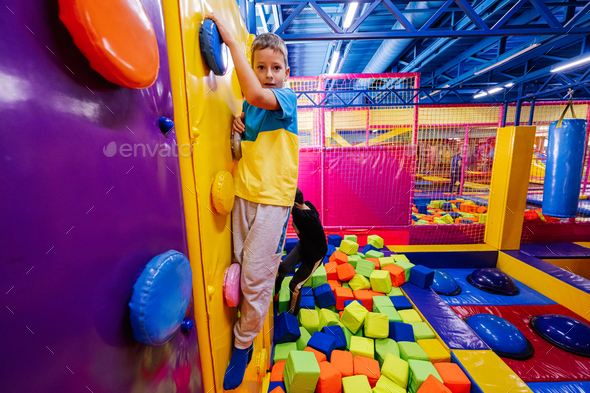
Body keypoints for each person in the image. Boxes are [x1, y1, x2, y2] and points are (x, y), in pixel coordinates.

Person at [204, 13, 299, 391]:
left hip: (273, 201)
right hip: (244, 193)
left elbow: (256, 94)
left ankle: (243, 344)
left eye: (275, 67)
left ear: (286, 72)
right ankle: (245, 323)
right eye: (261, 67)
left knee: (257, 277)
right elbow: (240, 152)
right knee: (243, 269)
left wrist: (230, 43)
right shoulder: (249, 111)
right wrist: (234, 132)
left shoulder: (283, 99)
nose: (268, 73)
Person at [275, 189, 327, 316]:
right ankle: (276, 292)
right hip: (304, 245)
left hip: (315, 255)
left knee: (295, 285)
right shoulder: (307, 204)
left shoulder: (304, 217)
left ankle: (291, 315)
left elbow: (285, 206)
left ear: (296, 205)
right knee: (283, 268)